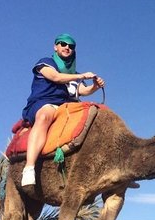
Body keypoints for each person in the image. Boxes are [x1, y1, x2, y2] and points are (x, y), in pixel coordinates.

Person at [20, 33, 105, 186]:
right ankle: (29, 167)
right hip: (45, 103)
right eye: (63, 44)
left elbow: (83, 91)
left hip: (67, 107)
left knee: (97, 121)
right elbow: (56, 77)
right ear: (55, 46)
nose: (67, 48)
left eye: (71, 46)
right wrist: (83, 76)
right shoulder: (45, 63)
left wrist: (95, 86)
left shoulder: (74, 75)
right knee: (45, 116)